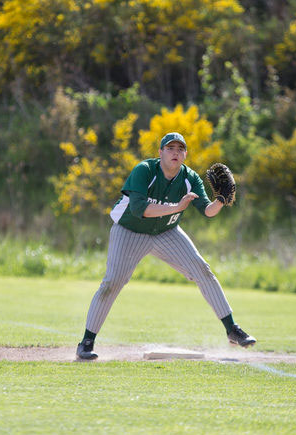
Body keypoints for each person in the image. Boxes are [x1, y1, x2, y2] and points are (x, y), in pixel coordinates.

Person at [76, 132, 256, 360]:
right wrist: (177, 207)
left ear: (185, 154)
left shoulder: (189, 177)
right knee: (112, 282)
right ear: (160, 152)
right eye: (170, 148)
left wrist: (220, 200)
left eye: (180, 149)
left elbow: (207, 211)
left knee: (202, 270)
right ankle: (86, 342)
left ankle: (232, 329)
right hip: (130, 230)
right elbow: (139, 209)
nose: (175, 153)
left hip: (166, 233)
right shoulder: (145, 170)